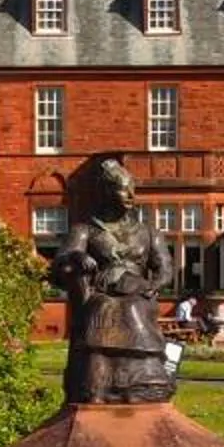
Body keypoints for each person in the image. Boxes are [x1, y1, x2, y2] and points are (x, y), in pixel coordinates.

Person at [49, 158, 178, 404]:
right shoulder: (86, 230)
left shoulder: (148, 232)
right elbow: (60, 263)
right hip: (101, 292)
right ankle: (98, 380)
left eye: (133, 189)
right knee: (104, 307)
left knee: (133, 306)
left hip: (138, 292)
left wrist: (154, 285)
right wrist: (78, 257)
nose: (130, 195)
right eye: (123, 189)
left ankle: (147, 376)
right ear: (107, 192)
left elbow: (165, 269)